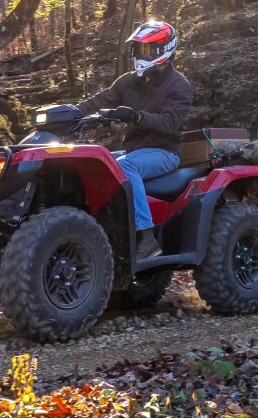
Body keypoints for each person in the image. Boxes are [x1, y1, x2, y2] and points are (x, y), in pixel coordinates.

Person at [76, 20, 193, 259]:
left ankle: (146, 237)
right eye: (137, 49)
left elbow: (170, 123)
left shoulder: (179, 85)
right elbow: (99, 101)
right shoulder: (128, 81)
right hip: (133, 150)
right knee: (97, 162)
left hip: (164, 152)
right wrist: (69, 113)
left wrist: (136, 116)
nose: (140, 54)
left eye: (146, 49)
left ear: (164, 49)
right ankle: (103, 229)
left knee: (125, 166)